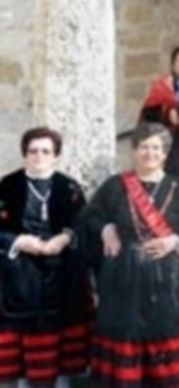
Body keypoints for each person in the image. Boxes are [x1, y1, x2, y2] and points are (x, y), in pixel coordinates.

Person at [84, 123, 179, 387]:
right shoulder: (115, 186)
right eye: (144, 147)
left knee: (163, 333)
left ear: (165, 153)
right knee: (125, 332)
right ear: (134, 151)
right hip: (123, 276)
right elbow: (91, 215)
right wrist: (106, 229)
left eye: (156, 148)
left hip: (167, 279)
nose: (150, 153)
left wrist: (174, 240)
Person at [0, 128, 92, 388]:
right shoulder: (7, 186)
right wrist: (18, 242)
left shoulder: (69, 187)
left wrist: (64, 238)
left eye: (45, 151)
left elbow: (83, 225)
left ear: (56, 156)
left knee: (59, 357)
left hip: (60, 278)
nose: (39, 156)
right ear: (24, 155)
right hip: (17, 277)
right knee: (19, 362)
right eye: (33, 151)